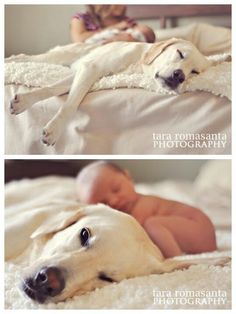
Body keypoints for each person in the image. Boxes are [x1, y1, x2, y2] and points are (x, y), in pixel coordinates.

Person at [75, 161, 217, 258]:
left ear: (128, 177)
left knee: (151, 224)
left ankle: (175, 259)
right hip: (196, 232)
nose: (113, 201)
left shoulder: (142, 205)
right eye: (103, 202)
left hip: (198, 227)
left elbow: (132, 233)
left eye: (116, 189)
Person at [70, 5, 156, 44]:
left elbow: (145, 38)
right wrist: (114, 27)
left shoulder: (126, 21)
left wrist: (131, 40)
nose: (124, 5)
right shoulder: (80, 18)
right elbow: (79, 40)